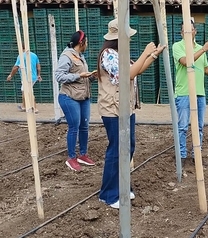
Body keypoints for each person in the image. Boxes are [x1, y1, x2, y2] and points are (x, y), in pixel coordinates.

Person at [97, 18, 165, 209]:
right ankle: (108, 194)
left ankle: (122, 186)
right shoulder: (108, 55)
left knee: (129, 148)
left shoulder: (120, 53)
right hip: (113, 109)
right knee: (117, 150)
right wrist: (145, 52)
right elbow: (128, 75)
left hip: (125, 108)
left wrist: (152, 56)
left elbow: (137, 70)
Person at [172, 20, 208, 166]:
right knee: (183, 126)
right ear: (182, 33)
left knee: (199, 126)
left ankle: (196, 154)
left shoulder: (201, 48)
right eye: (185, 30)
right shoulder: (177, 46)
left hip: (199, 93)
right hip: (184, 92)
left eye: (191, 29)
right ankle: (181, 155)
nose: (188, 32)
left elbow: (205, 69)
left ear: (195, 31)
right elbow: (186, 62)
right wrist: (204, 49)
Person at [55, 30, 96, 172]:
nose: (87, 45)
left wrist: (91, 76)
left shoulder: (80, 56)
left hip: (83, 97)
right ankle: (71, 157)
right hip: (69, 97)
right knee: (74, 127)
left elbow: (82, 77)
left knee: (84, 126)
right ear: (81, 42)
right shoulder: (66, 56)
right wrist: (78, 75)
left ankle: (83, 155)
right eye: (86, 42)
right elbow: (59, 76)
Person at [6, 45, 41, 113]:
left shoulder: (21, 56)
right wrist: (38, 75)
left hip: (26, 77)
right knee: (24, 91)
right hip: (33, 77)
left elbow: (15, 67)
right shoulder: (34, 55)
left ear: (22, 48)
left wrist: (10, 75)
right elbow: (38, 66)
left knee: (27, 92)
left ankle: (34, 107)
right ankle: (24, 106)